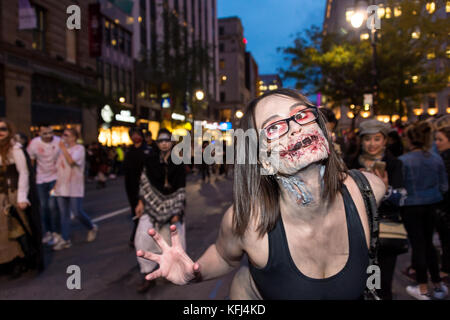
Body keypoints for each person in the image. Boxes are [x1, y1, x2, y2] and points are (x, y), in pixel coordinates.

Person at [136, 89, 386, 300]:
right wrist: (192, 272)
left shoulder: (369, 190)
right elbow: (224, 255)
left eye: (301, 114)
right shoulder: (247, 222)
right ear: (261, 158)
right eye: (274, 127)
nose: (295, 128)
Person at [346, 119, 407, 300]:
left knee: (382, 283)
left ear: (385, 141)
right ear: (361, 141)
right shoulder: (350, 162)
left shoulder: (394, 164)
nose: (371, 144)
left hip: (386, 232)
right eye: (367, 139)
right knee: (358, 281)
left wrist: (385, 189)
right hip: (358, 231)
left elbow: (401, 199)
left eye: (377, 139)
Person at [399, 121, 448, 300]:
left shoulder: (403, 161)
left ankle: (422, 288)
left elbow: (400, 187)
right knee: (429, 245)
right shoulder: (436, 159)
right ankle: (438, 285)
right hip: (432, 204)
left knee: (418, 245)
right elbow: (444, 185)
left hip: (411, 207)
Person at [134, 128, 186, 293]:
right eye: (161, 141)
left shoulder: (178, 161)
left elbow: (181, 188)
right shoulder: (150, 160)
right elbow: (144, 183)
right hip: (152, 206)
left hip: (173, 206)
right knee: (142, 239)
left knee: (172, 242)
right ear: (157, 143)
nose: (164, 143)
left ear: (171, 142)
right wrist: (140, 202)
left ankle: (174, 273)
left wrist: (177, 211)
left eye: (166, 140)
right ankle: (148, 275)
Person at [0, 119, 43, 277]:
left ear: (9, 130)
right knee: (2, 232)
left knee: (17, 229)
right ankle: (6, 262)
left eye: (3, 129)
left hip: (13, 194)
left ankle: (20, 261)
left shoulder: (15, 149)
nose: (0, 132)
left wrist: (22, 197)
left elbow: (24, 173)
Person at [52, 128, 98, 251]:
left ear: (74, 137)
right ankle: (65, 239)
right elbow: (58, 167)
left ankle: (91, 227)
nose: (64, 137)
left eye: (66, 135)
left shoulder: (79, 149)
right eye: (63, 135)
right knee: (64, 214)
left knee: (76, 212)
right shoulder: (61, 150)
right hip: (61, 186)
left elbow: (71, 162)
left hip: (74, 186)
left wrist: (63, 148)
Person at [27, 125, 62, 246]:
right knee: (43, 206)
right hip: (40, 180)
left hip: (55, 178)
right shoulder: (34, 143)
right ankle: (48, 232)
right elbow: (31, 160)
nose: (48, 136)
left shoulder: (58, 142)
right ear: (39, 133)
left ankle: (57, 232)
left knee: (53, 206)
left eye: (50, 133)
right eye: (44, 133)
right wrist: (32, 176)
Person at [123, 127, 152, 248]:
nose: (135, 137)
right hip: (131, 185)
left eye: (137, 134)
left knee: (144, 212)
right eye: (132, 135)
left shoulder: (148, 150)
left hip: (145, 185)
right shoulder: (129, 151)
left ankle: (136, 236)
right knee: (135, 210)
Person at [434, 115, 450, 283]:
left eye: (440, 139)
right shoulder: (440, 158)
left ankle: (446, 268)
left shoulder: (443, 159)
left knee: (446, 237)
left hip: (445, 204)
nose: (437, 143)